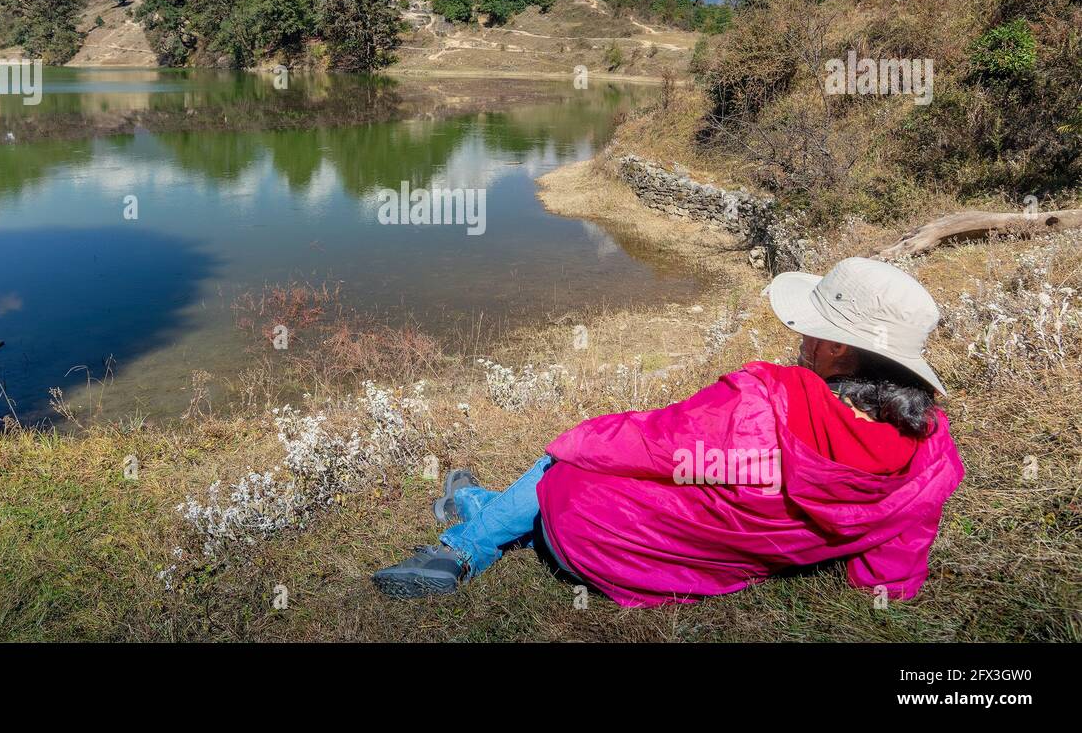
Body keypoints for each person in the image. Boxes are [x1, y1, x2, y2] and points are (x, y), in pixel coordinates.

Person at [372, 257, 965, 606]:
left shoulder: (763, 402)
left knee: (566, 466)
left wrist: (575, 437)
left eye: (813, 331)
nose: (802, 339)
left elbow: (649, 441)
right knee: (569, 470)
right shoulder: (931, 459)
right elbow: (885, 578)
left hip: (608, 549)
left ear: (838, 347)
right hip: (708, 565)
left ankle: (460, 545)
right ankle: (477, 503)